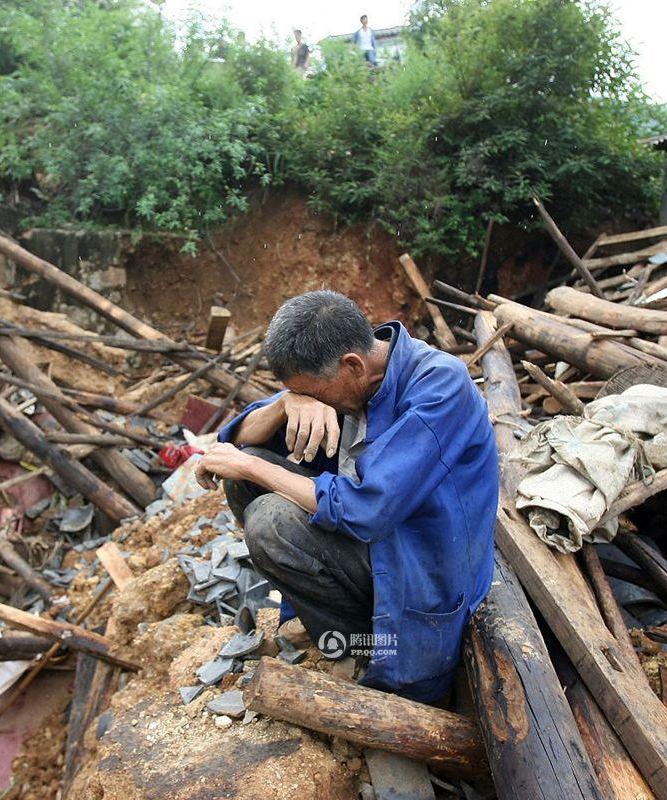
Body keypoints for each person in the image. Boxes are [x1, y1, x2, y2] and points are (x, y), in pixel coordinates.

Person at [196, 291, 499, 702]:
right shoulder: (350, 369)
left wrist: (253, 467)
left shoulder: (440, 386)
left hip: (425, 565)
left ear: (353, 367)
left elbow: (366, 509)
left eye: (314, 392)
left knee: (268, 514)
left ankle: (378, 651)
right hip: (377, 543)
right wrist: (288, 403)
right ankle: (350, 639)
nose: (314, 402)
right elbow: (237, 437)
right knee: (244, 470)